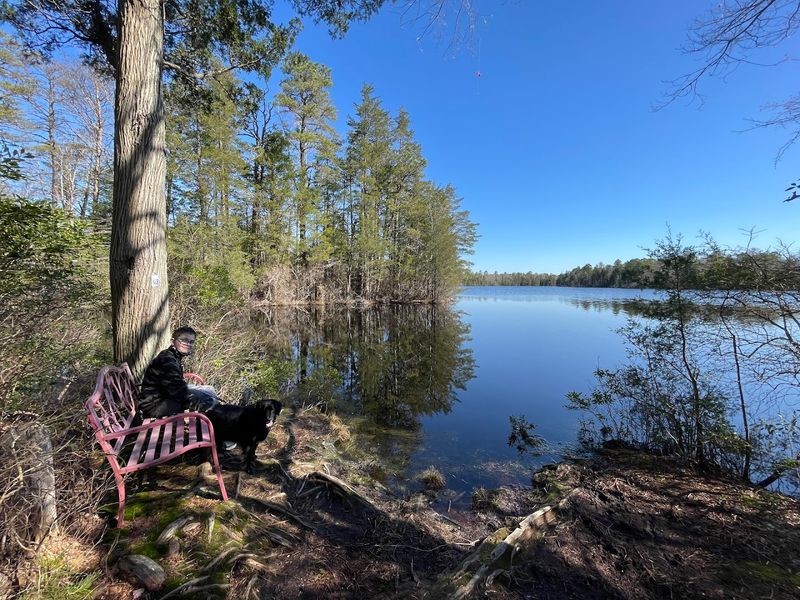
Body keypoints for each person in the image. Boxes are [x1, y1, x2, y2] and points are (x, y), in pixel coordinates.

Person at [139, 326, 220, 418]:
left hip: (163, 397)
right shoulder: (167, 361)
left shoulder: (171, 355)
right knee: (210, 401)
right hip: (154, 406)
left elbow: (176, 387)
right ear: (173, 341)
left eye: (191, 341)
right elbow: (179, 392)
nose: (188, 344)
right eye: (184, 340)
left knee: (208, 391)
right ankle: (212, 428)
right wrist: (203, 406)